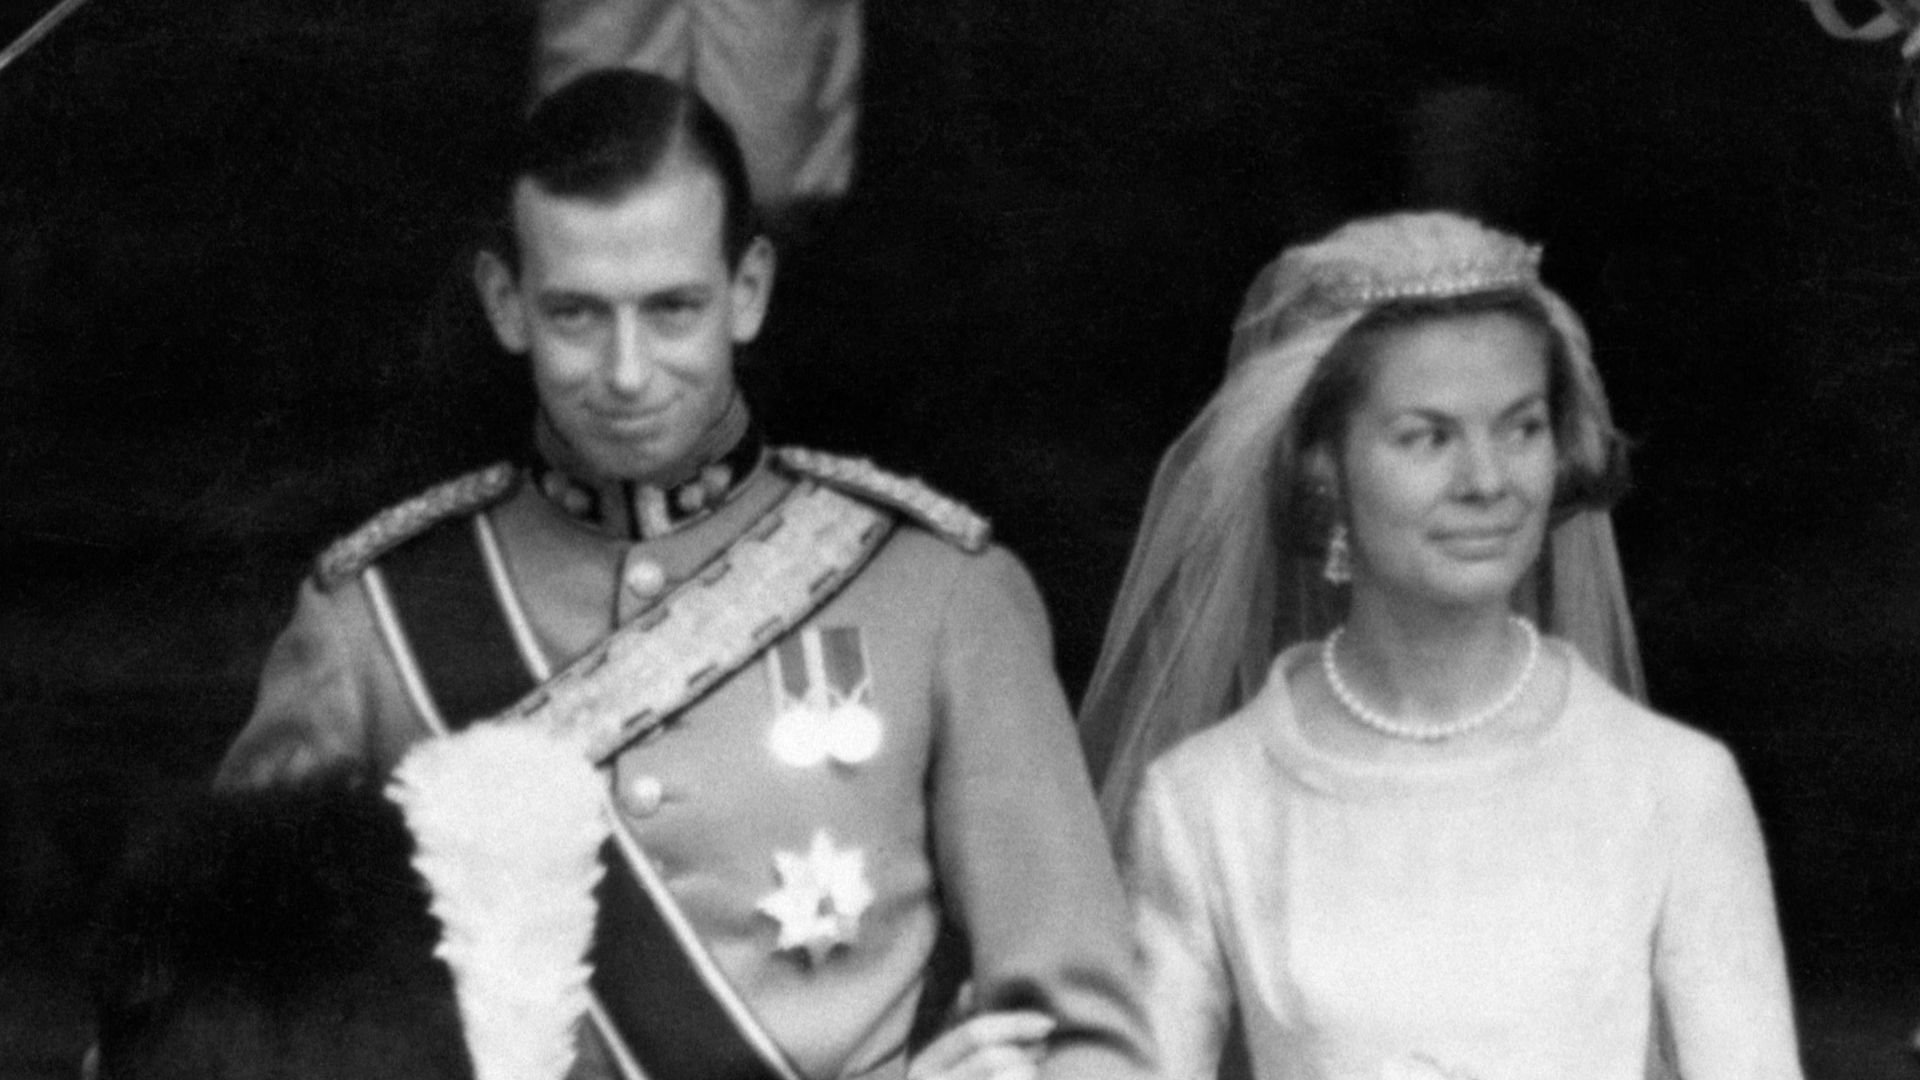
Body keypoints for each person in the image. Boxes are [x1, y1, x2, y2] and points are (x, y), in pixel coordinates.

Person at [215, 69, 1146, 1080]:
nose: (625, 372)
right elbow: (216, 1029)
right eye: (576, 315)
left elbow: (1087, 1048)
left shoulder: (935, 596)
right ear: (503, 302)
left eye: (671, 309)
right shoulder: (371, 625)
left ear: (747, 292)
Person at [1082, 211, 1803, 1080]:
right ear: (1324, 467)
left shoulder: (1674, 786)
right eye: (1427, 437)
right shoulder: (1207, 800)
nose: (1489, 481)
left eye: (1523, 427)